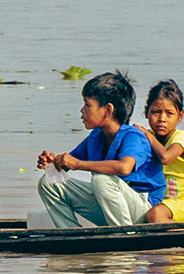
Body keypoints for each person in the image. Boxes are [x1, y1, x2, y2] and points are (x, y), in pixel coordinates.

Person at [37, 71, 167, 229]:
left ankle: (124, 235)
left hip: (143, 211)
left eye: (87, 105)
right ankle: (71, 234)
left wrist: (77, 164)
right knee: (48, 183)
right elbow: (69, 163)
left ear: (107, 110)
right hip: (111, 207)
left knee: (102, 180)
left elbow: (124, 167)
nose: (82, 110)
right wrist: (54, 163)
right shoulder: (96, 136)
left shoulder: (133, 136)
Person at [140, 79, 184, 225]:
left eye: (169, 113)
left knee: (155, 215)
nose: (162, 119)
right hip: (164, 203)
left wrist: (147, 135)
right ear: (146, 112)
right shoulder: (150, 138)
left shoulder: (181, 138)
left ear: (180, 116)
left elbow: (166, 157)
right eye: (156, 112)